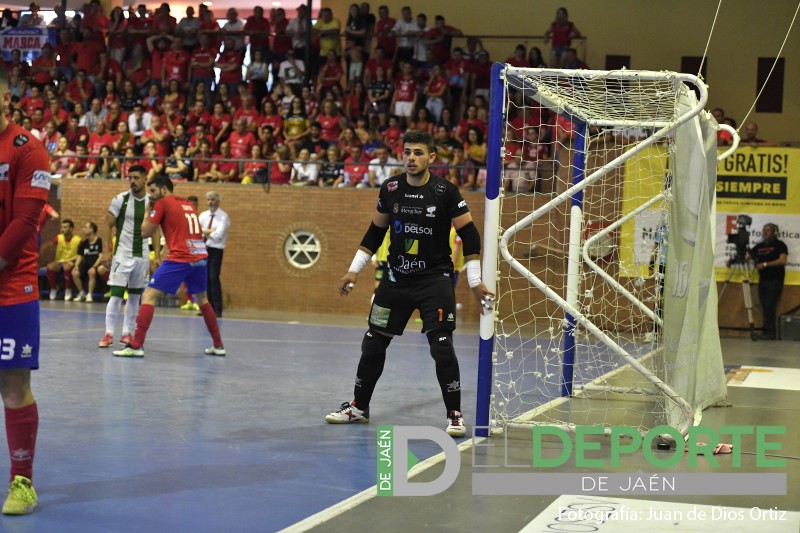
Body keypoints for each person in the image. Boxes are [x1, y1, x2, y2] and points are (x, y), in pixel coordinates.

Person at [324, 130, 494, 437]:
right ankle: (358, 408)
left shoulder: (445, 191)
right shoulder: (390, 188)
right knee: (373, 342)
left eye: (417, 153)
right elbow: (375, 233)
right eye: (406, 152)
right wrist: (354, 270)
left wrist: (474, 280)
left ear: (431, 157)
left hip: (434, 281)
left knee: (442, 346)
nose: (410, 158)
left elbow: (469, 234)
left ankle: (454, 415)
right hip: (396, 280)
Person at [0, 69, 51, 514]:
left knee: (13, 385)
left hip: (11, 287)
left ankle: (22, 482)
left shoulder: (28, 150)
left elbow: (25, 222)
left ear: (6, 97)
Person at [113, 177, 225, 357]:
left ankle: (136, 346)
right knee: (203, 299)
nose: (152, 196)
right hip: (200, 255)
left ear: (164, 189)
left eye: (154, 191)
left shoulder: (162, 203)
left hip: (181, 256)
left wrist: (147, 213)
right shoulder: (187, 203)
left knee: (149, 295)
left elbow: (145, 232)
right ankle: (218, 345)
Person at [97, 165, 153, 348]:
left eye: (137, 178)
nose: (133, 181)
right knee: (117, 294)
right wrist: (106, 251)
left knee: (136, 295)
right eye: (130, 178)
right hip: (122, 254)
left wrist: (158, 254)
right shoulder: (120, 199)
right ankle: (108, 333)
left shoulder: (151, 202)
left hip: (142, 255)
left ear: (145, 179)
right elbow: (107, 225)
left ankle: (127, 333)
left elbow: (156, 228)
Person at [748, 223, 789, 340]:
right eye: (764, 230)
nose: (765, 232)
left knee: (770, 305)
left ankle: (770, 332)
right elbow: (748, 255)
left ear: (774, 232)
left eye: (768, 230)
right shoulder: (759, 246)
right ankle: (767, 331)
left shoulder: (780, 245)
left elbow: (782, 260)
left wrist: (765, 264)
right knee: (764, 305)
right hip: (763, 280)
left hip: (775, 279)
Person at [198, 191, 230, 317]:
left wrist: (205, 232)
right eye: (208, 200)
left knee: (213, 278)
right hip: (203, 248)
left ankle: (217, 308)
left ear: (218, 201)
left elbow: (219, 235)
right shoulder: (203, 215)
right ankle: (207, 309)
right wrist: (210, 231)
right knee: (205, 279)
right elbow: (196, 232)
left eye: (212, 200)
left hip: (216, 249)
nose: (210, 202)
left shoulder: (223, 216)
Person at [46, 220, 81, 300]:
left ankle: (68, 289)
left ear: (71, 229)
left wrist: (71, 261)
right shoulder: (59, 238)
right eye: (62, 227)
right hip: (59, 262)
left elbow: (80, 255)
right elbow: (50, 246)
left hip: (71, 262)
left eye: (65, 227)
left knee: (66, 266)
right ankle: (53, 289)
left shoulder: (78, 240)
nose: (62, 229)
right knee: (50, 266)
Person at [71, 221, 104, 302]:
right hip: (86, 264)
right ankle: (82, 293)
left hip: (96, 265)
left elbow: (101, 256)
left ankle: (89, 295)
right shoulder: (84, 243)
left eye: (86, 228)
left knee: (91, 272)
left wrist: (94, 267)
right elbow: (80, 255)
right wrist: (76, 266)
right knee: (74, 273)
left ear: (92, 229)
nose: (83, 229)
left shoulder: (99, 241)